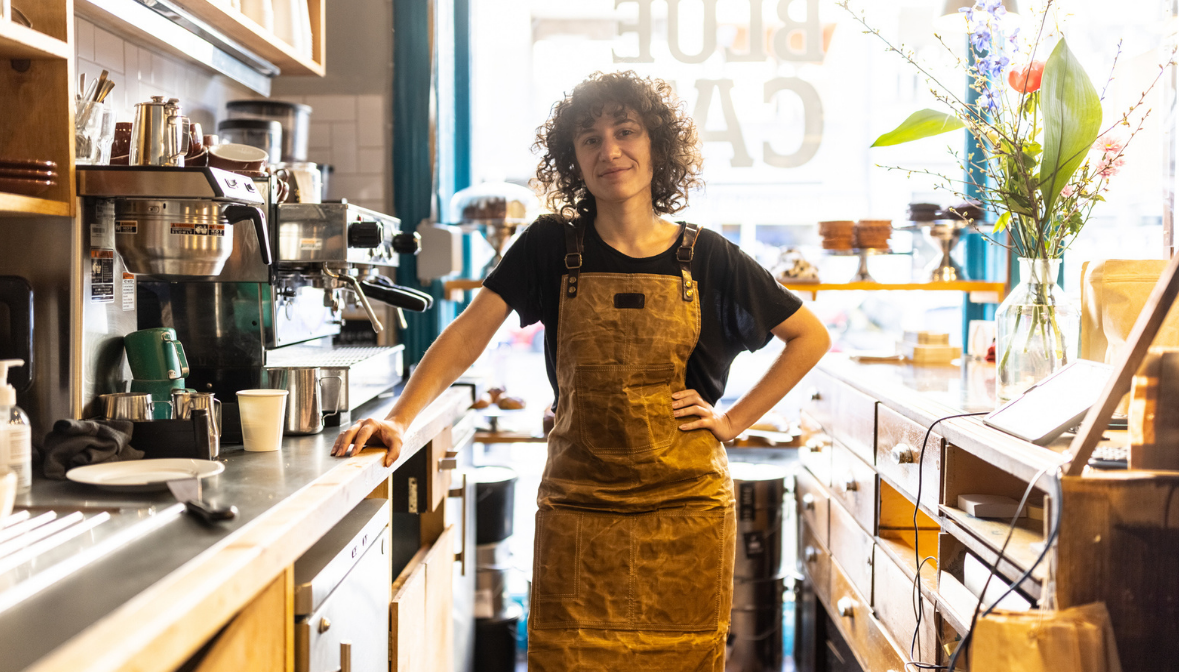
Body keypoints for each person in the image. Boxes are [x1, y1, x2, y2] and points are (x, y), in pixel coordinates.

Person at [332, 71, 830, 670]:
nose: (609, 151)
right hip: (579, 509)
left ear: (657, 146)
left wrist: (733, 420)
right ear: (573, 157)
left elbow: (808, 336)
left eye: (626, 132)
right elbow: (468, 333)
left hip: (685, 512)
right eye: (589, 138)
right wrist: (399, 418)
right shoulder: (550, 245)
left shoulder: (707, 256)